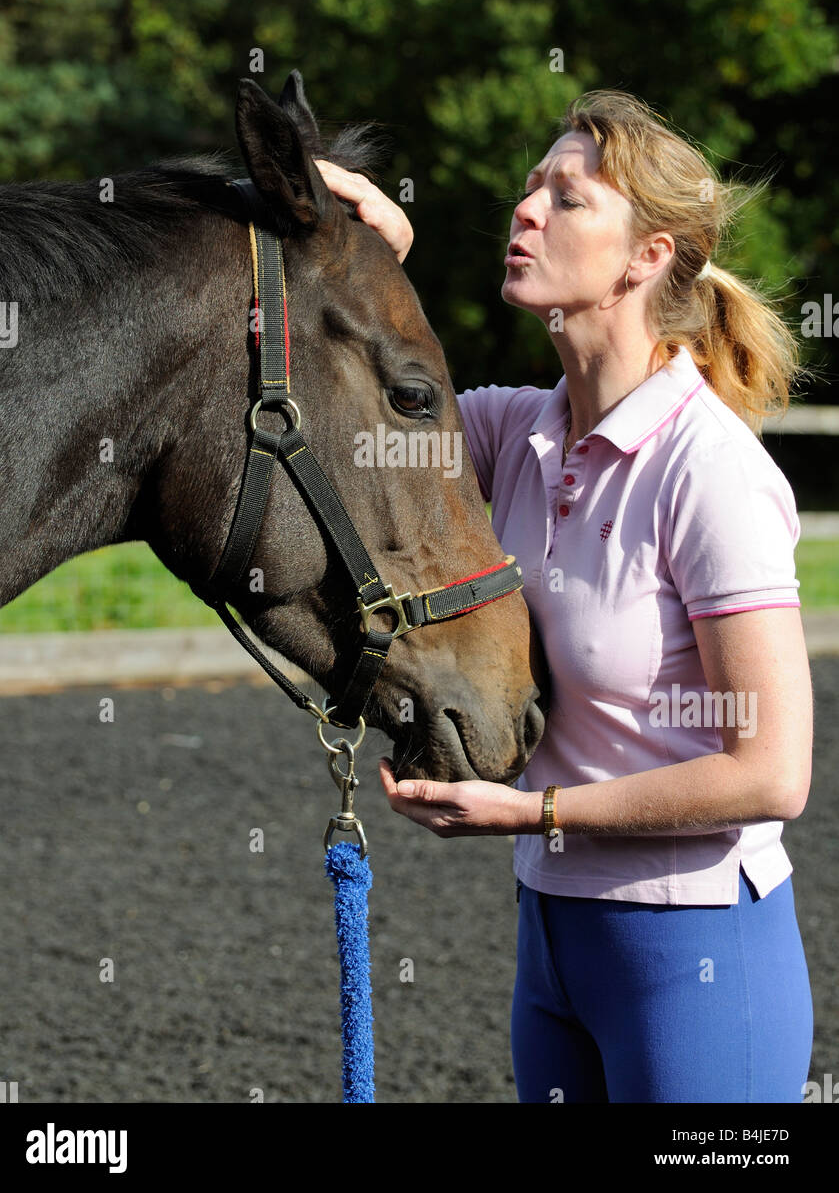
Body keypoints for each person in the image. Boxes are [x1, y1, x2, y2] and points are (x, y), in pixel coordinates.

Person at [313, 88, 814, 1104]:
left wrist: (529, 810)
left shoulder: (706, 469)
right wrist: (348, 232)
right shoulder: (516, 432)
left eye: (566, 197)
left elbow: (771, 773)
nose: (525, 210)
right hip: (549, 941)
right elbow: (356, 398)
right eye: (527, 189)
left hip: (696, 953)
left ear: (647, 256)